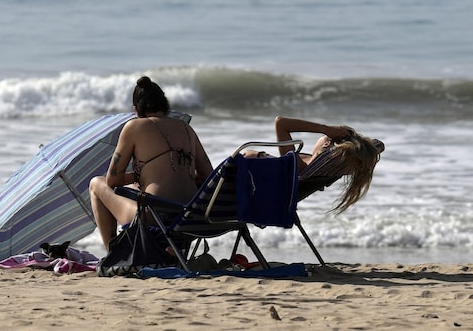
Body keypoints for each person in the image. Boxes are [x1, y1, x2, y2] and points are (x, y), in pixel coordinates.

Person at [89, 76, 213, 251]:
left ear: (136, 110)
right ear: (165, 105)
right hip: (191, 217)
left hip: (156, 217)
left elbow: (113, 181)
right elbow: (208, 176)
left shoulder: (133, 127)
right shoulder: (186, 128)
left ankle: (113, 254)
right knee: (142, 190)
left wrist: (138, 175)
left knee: (96, 184)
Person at [243, 116, 382, 214]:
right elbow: (378, 145)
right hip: (264, 196)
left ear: (327, 144)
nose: (322, 138)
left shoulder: (292, 165)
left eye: (324, 139)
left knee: (247, 154)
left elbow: (280, 122)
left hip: (245, 200)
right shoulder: (311, 169)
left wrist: (325, 129)